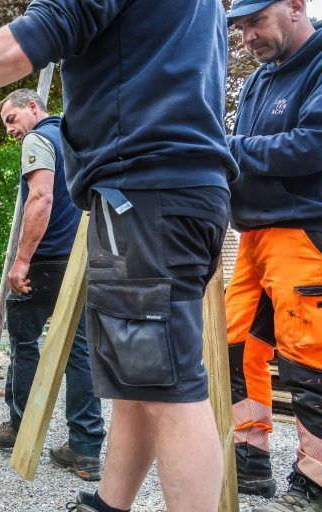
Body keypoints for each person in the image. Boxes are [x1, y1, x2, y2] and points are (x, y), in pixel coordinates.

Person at [0, 0, 237, 510]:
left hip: (145, 190)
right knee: (141, 380)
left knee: (170, 388)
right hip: (170, 189)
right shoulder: (202, 9)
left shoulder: (10, 165)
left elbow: (33, 37)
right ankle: (108, 503)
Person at [225, 1, 322, 509]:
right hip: (255, 235)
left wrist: (226, 150)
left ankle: (315, 480)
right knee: (234, 344)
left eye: (254, 23)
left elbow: (312, 145)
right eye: (239, 29)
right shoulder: (261, 79)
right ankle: (250, 456)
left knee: (308, 359)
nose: (246, 37)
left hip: (306, 232)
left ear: (295, 7)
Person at [0, 88, 105, 481]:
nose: (11, 130)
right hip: (81, 256)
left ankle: (22, 428)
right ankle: (85, 450)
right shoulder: (76, 134)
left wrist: (21, 261)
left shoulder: (38, 139)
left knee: (24, 343)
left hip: (45, 260)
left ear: (32, 107)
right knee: (80, 349)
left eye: (11, 120)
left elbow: (40, 197)